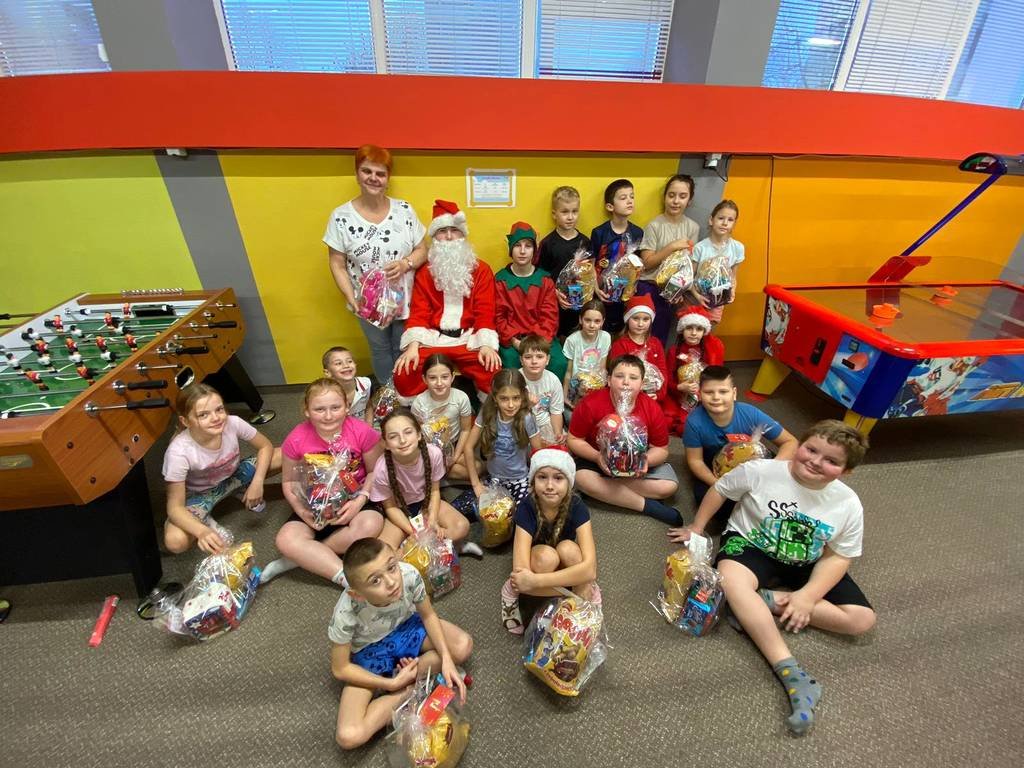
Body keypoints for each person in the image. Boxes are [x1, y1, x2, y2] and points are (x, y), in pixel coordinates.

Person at [668, 421, 876, 735]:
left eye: (831, 461)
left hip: (807, 558)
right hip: (750, 543)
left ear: (845, 472)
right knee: (731, 580)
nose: (815, 461)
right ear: (799, 444)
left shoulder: (847, 503)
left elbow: (839, 556)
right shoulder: (761, 471)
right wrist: (697, 528)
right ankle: (791, 673)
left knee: (861, 620)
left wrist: (807, 596)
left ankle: (760, 603)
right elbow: (720, 490)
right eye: (811, 449)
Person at [330, 537, 472, 750]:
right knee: (349, 736)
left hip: (407, 628)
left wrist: (446, 659)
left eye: (391, 567)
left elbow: (428, 615)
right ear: (357, 594)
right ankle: (409, 689)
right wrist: (392, 685)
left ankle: (411, 676)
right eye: (375, 581)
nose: (392, 582)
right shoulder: (345, 612)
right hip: (369, 654)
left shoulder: (408, 574)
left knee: (462, 646)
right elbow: (340, 668)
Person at [261, 378, 384, 586]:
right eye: (319, 409)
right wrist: (302, 512)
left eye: (335, 407)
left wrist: (360, 501)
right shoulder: (296, 438)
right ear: (307, 411)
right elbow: (289, 482)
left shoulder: (362, 431)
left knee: (370, 525)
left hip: (357, 497)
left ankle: (300, 559)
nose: (328, 416)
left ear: (347, 406)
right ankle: (345, 578)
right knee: (285, 540)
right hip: (315, 502)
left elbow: (375, 471)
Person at [324, 144, 428, 384]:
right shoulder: (341, 217)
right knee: (380, 349)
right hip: (367, 303)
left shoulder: (404, 210)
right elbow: (337, 263)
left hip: (406, 299)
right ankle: (387, 395)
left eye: (380, 173)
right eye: (367, 171)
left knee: (403, 346)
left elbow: (423, 250)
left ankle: (405, 391)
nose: (373, 178)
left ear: (388, 178)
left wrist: (406, 263)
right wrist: (352, 298)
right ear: (357, 174)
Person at [392, 200, 501, 398]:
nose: (449, 236)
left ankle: (487, 413)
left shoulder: (481, 270)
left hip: (468, 339)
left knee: (492, 370)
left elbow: (485, 311)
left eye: (454, 230)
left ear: (463, 234)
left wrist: (486, 344)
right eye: (442, 231)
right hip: (434, 339)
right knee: (404, 372)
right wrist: (413, 346)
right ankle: (421, 411)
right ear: (434, 236)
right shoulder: (425, 272)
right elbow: (419, 312)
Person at [162, 384, 280, 554]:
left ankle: (241, 489)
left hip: (234, 476)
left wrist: (257, 482)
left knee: (285, 454)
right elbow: (174, 507)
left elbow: (265, 446)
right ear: (186, 421)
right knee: (176, 542)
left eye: (219, 409)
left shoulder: (233, 423)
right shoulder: (178, 452)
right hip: (201, 494)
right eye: (203, 415)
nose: (216, 418)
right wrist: (201, 531)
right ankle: (205, 518)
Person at [567, 354, 680, 525]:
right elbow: (574, 439)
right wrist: (597, 457)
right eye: (619, 376)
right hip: (596, 460)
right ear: (609, 380)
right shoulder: (590, 403)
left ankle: (606, 491)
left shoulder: (652, 408)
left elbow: (661, 449)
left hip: (637, 464)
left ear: (642, 383)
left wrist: (644, 461)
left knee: (669, 486)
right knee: (580, 478)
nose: (626, 382)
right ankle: (648, 506)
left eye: (633, 378)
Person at [682, 365, 798, 526]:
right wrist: (720, 485)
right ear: (700, 395)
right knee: (707, 500)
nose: (716, 397)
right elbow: (696, 461)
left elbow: (790, 442)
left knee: (788, 486)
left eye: (723, 391)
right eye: (709, 392)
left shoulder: (750, 413)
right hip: (715, 465)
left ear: (734, 393)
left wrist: (771, 470)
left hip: (752, 457)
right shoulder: (694, 422)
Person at [500, 448, 598, 634]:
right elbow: (521, 571)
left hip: (547, 571)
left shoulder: (578, 506)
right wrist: (580, 583)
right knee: (547, 558)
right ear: (533, 481)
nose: (550, 486)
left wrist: (535, 582)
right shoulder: (526, 508)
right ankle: (510, 591)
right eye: (542, 477)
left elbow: (590, 570)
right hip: (539, 560)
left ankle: (577, 591)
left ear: (569, 483)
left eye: (558, 478)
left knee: (569, 549)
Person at [372, 408, 481, 557]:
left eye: (408, 432)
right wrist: (414, 531)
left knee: (461, 526)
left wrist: (433, 520)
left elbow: (435, 491)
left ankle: (448, 546)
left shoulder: (433, 453)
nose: (402, 440)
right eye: (393, 436)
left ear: (418, 434)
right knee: (385, 552)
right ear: (385, 443)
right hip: (400, 510)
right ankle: (440, 546)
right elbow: (390, 507)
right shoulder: (381, 469)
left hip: (427, 502)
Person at [494, 221, 567, 379]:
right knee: (511, 367)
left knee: (558, 363)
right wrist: (515, 342)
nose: (522, 251)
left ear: (534, 250)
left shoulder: (545, 280)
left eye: (528, 246)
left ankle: (549, 394)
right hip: (513, 341)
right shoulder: (500, 280)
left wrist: (535, 344)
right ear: (510, 248)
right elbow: (499, 317)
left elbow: (550, 317)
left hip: (541, 339)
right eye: (517, 245)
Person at [464, 368, 545, 507]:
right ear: (495, 397)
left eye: (516, 398)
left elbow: (538, 453)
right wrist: (476, 484)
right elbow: (468, 447)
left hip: (519, 480)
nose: (511, 405)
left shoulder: (527, 418)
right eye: (504, 399)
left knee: (522, 514)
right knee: (466, 508)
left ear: (523, 396)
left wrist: (535, 483)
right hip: (493, 479)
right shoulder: (487, 413)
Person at [637, 174, 700, 347]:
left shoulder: (693, 227)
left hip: (673, 292)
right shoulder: (654, 226)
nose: (676, 201)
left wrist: (679, 290)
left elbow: (689, 266)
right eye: (671, 195)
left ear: (689, 200)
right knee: (641, 335)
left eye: (682, 196)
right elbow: (647, 263)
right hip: (649, 288)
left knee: (659, 338)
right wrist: (671, 247)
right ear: (664, 197)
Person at [410, 354, 478, 482]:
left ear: (452, 377)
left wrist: (455, 456)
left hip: (455, 444)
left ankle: (440, 472)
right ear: (424, 379)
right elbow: (417, 433)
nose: (439, 383)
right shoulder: (419, 403)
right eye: (432, 378)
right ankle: (439, 471)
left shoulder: (461, 398)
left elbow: (465, 430)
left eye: (445, 377)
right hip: (431, 448)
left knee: (476, 468)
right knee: (462, 471)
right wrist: (436, 456)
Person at [590, 179, 644, 335]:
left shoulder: (637, 233)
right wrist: (596, 289)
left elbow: (637, 265)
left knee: (622, 331)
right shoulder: (599, 232)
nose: (629, 201)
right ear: (610, 206)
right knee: (601, 331)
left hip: (625, 294)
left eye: (632, 196)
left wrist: (632, 288)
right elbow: (591, 264)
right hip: (602, 292)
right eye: (623, 198)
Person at [537, 185, 592, 338]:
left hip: (579, 304)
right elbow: (541, 275)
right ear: (554, 214)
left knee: (577, 338)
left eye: (574, 211)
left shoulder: (585, 242)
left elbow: (590, 271)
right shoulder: (548, 243)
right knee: (557, 336)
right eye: (565, 212)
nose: (570, 217)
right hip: (555, 302)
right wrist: (554, 293)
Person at [664, 306, 725, 436]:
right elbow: (667, 378)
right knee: (666, 423)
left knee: (685, 428)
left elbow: (716, 378)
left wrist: (701, 390)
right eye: (689, 328)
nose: (693, 333)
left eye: (699, 329)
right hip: (677, 395)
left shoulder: (709, 351)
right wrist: (679, 387)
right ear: (682, 330)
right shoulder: (674, 351)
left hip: (700, 397)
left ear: (704, 332)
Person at [690, 199, 745, 324]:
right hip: (696, 299)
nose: (725, 223)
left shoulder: (737, 248)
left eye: (730, 220)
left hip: (718, 302)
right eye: (721, 218)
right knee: (693, 330)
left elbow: (733, 276)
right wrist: (697, 296)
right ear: (711, 220)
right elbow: (690, 277)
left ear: (734, 224)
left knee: (709, 331)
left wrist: (732, 291)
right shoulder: (700, 248)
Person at [608, 295, 669, 403]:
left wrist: (658, 395)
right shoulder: (620, 345)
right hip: (626, 398)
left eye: (646, 319)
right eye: (635, 318)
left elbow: (663, 371)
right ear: (627, 319)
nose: (640, 324)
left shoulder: (655, 343)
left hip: (652, 397)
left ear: (651, 320)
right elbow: (617, 374)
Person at [562, 299, 611, 410]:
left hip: (595, 384)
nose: (592, 325)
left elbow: (602, 368)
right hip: (576, 387)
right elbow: (568, 372)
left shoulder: (605, 337)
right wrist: (564, 396)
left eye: (597, 321)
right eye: (587, 320)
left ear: (603, 322)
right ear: (580, 319)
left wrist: (597, 388)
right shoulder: (572, 340)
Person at [518, 334, 566, 446]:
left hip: (544, 423)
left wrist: (557, 434)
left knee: (560, 446)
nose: (534, 361)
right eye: (528, 357)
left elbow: (556, 412)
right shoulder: (516, 380)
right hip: (521, 424)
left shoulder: (553, 380)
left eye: (539, 357)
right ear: (521, 360)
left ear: (547, 360)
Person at [322, 346, 373, 422]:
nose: (346, 366)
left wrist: (368, 426)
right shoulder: (324, 394)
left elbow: (368, 406)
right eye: (338, 363)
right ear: (327, 372)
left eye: (349, 361)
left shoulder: (365, 383)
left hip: (362, 426)